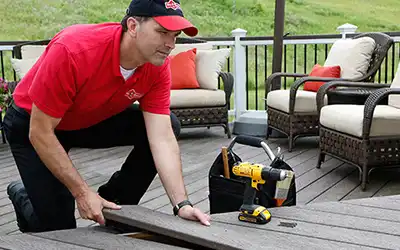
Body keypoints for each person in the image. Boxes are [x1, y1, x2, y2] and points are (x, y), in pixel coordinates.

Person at [4, 0, 211, 233]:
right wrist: (82, 192)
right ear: (133, 26)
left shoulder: (157, 65)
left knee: (169, 125)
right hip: (34, 125)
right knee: (59, 229)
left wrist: (181, 205)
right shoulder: (73, 49)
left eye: (175, 35)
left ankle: (115, 199)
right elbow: (40, 131)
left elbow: (161, 137)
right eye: (162, 32)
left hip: (88, 119)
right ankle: (24, 196)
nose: (171, 44)